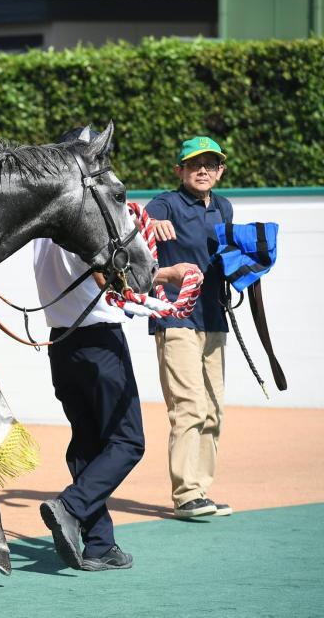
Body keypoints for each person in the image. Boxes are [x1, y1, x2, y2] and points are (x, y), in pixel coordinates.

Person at [37, 126, 200, 571]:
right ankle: (70, 506)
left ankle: (98, 544)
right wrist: (169, 275)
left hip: (61, 344)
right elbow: (107, 274)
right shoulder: (83, 219)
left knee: (87, 444)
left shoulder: (44, 224)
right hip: (98, 340)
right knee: (127, 441)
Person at [145, 137, 234, 519]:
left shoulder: (225, 207)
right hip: (175, 317)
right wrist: (152, 223)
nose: (202, 170)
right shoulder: (165, 202)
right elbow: (135, 226)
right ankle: (186, 496)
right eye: (194, 164)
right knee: (190, 406)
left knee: (213, 410)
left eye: (210, 164)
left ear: (220, 171)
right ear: (179, 170)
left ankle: (201, 492)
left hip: (214, 319)